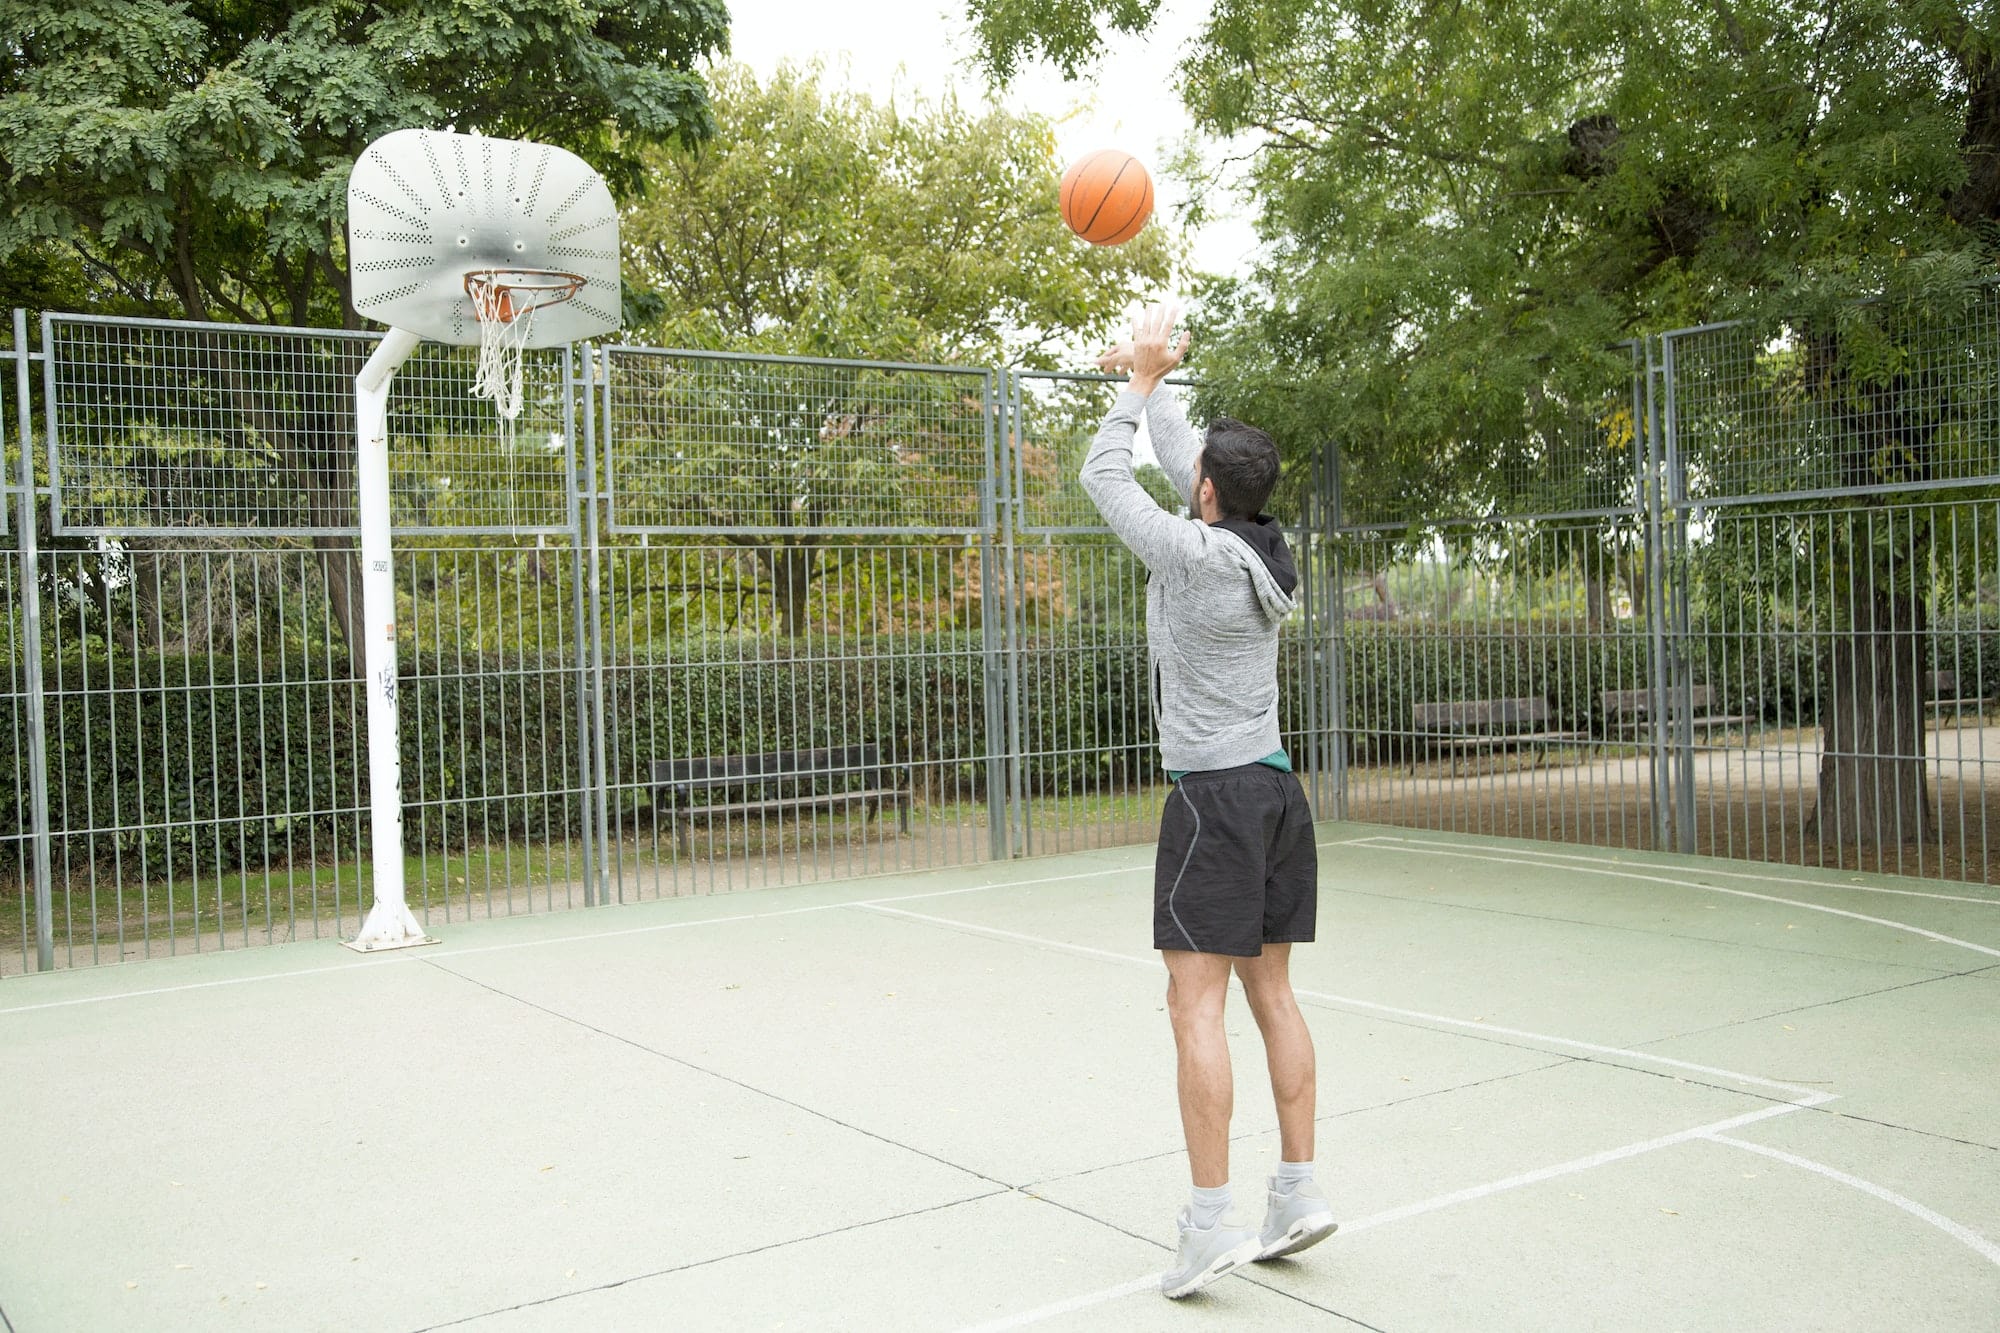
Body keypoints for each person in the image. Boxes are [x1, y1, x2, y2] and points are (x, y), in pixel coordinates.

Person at [1081, 302, 1335, 1300]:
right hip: (1274, 788)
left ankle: (1205, 1224)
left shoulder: (1190, 553)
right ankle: (1298, 1191)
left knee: (1193, 1004)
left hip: (1213, 803)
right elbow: (1189, 452)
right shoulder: (1263, 545)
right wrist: (1148, 374)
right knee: (1270, 993)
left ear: (1204, 496)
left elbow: (1102, 478)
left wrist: (1135, 392)